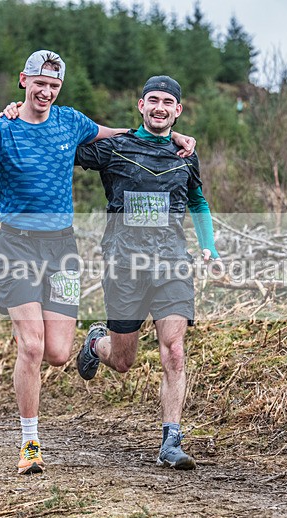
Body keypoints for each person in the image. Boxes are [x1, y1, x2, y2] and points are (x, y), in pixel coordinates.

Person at [0, 50, 194, 476]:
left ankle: (86, 348)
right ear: (24, 80)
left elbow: (120, 136)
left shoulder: (70, 121)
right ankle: (30, 444)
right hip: (16, 248)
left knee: (58, 354)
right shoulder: (0, 130)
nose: (46, 92)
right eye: (39, 84)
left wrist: (173, 138)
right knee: (33, 346)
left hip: (63, 251)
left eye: (54, 87)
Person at [74, 75, 220, 470]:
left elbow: (198, 200)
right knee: (123, 361)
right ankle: (95, 345)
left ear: (178, 110)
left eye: (167, 102)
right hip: (124, 264)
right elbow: (62, 145)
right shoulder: (115, 148)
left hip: (172, 262)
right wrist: (23, 115)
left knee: (173, 349)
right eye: (152, 100)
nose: (159, 107)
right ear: (141, 105)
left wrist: (209, 244)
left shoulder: (184, 155)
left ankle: (171, 441)